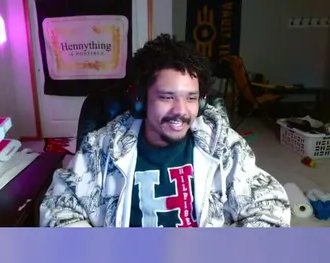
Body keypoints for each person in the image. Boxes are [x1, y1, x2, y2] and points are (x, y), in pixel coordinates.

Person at [40, 34, 290, 228]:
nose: (181, 111)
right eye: (167, 97)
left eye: (191, 98)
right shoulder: (102, 146)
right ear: (141, 100)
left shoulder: (223, 145)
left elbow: (270, 206)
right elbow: (58, 208)